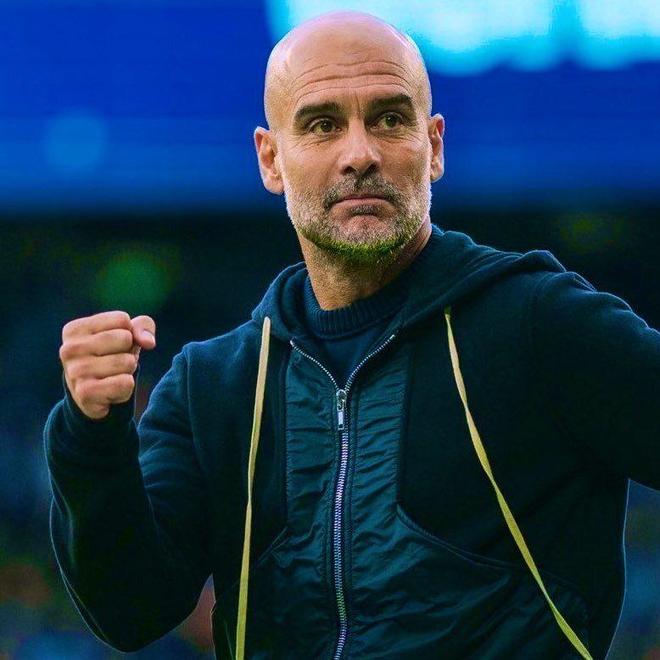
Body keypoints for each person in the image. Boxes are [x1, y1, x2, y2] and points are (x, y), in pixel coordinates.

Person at [43, 10, 659, 660]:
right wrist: (91, 437)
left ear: (434, 146)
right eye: (322, 125)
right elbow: (131, 611)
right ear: (271, 159)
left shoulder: (538, 324)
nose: (360, 154)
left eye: (389, 119)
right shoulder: (214, 387)